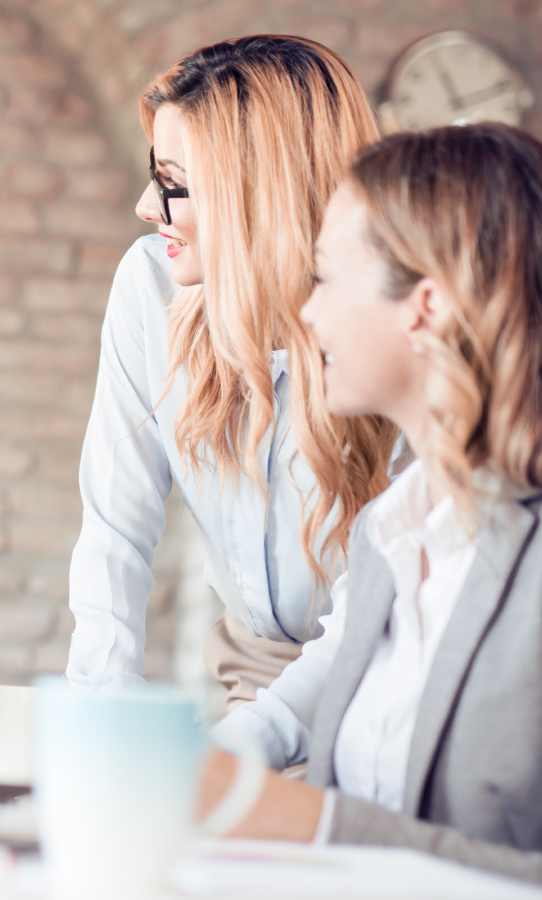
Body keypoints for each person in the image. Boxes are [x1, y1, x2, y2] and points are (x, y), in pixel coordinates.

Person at [199, 123, 542, 900]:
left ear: (424, 307)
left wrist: (317, 829)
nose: (307, 313)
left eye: (326, 278)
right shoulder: (384, 534)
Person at [66, 35, 398, 703]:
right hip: (249, 677)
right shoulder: (150, 286)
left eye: (175, 186)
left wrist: (246, 751)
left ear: (260, 196)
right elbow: (115, 526)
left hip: (384, 689)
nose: (145, 206)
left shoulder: (391, 328)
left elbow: (373, 616)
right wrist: (99, 718)